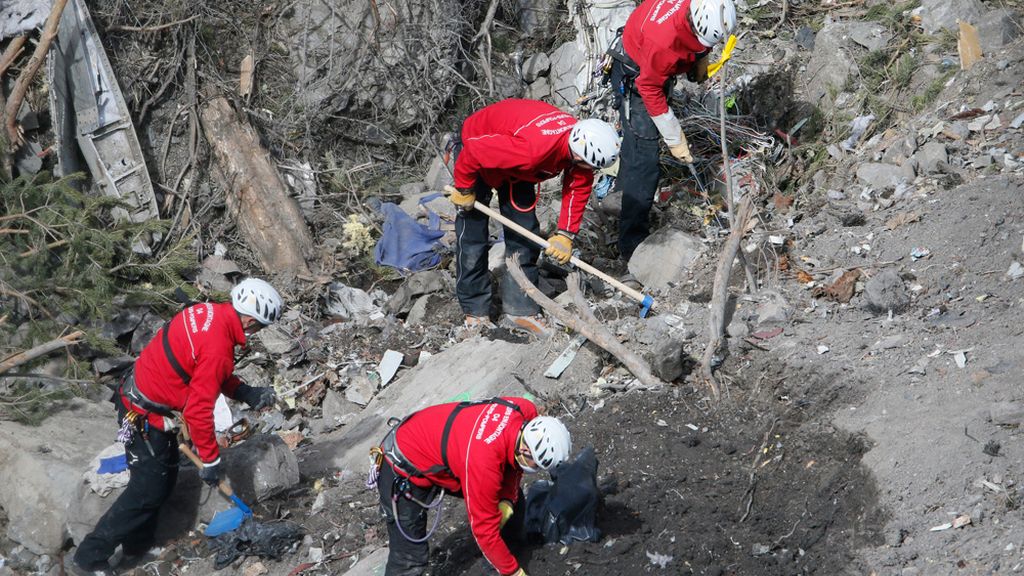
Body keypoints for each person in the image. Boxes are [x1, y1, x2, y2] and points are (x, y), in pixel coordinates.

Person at [71, 278, 283, 575]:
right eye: (260, 326)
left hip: (147, 398)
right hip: (143, 414)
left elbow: (204, 371)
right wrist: (211, 460)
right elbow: (198, 410)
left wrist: (245, 392)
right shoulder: (219, 346)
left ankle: (136, 547)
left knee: (162, 478)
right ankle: (89, 558)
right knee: (147, 489)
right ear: (249, 320)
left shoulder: (210, 313)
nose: (258, 333)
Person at [444, 99, 619, 334]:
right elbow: (474, 151)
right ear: (577, 155)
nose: (589, 171)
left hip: (517, 165)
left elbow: (578, 186)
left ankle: (520, 309)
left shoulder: (579, 143)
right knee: (473, 235)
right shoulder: (533, 150)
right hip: (477, 146)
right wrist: (464, 188)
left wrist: (565, 234)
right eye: (587, 165)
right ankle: (475, 310)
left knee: (525, 233)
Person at [371, 397, 572, 576]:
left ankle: (509, 553)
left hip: (446, 450)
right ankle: (505, 563)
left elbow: (513, 464)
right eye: (535, 464)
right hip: (403, 466)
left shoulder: (524, 410)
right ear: (526, 448)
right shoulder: (484, 465)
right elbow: (484, 530)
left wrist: (507, 500)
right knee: (409, 558)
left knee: (513, 505)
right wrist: (513, 572)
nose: (534, 469)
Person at [611, 0, 737, 267]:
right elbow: (650, 90)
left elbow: (702, 39)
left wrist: (702, 57)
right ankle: (632, 245)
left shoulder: (705, 7)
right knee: (645, 159)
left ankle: (617, 199)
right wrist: (674, 138)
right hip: (635, 76)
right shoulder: (663, 44)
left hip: (651, 59)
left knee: (635, 147)